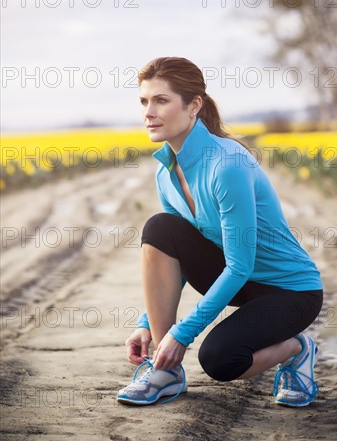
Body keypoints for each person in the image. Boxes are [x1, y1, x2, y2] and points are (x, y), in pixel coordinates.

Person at [117, 57, 323, 407]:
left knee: (220, 360)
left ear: (193, 105)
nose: (148, 112)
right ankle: (165, 373)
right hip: (242, 283)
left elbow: (240, 265)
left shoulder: (228, 165)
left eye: (161, 100)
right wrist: (149, 325)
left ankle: (296, 348)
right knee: (160, 227)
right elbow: (174, 255)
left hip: (290, 291)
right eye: (144, 101)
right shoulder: (165, 172)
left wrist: (183, 334)